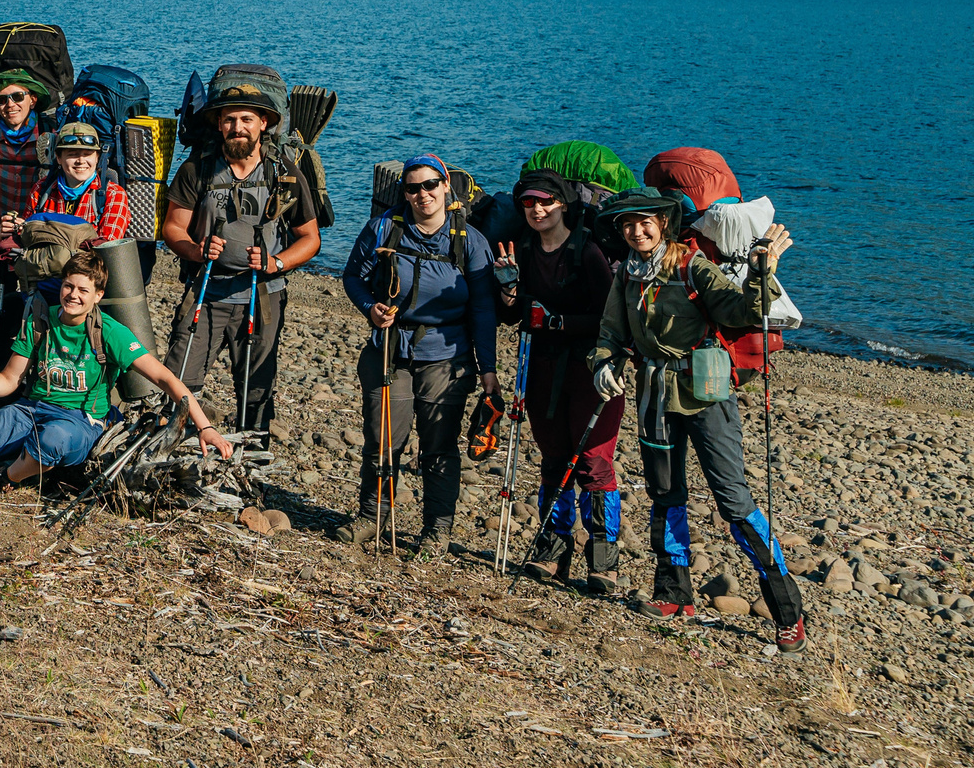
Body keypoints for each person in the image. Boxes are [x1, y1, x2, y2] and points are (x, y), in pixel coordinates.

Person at [588, 186, 804, 648]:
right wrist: (603, 363)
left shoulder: (691, 266)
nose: (636, 230)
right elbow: (610, 330)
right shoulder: (627, 273)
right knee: (665, 494)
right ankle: (673, 594)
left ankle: (787, 609)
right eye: (627, 224)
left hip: (708, 395)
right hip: (653, 398)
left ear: (663, 223)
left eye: (644, 221)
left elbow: (744, 312)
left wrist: (761, 274)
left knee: (734, 501)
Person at [0, 250, 232, 489]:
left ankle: (1, 479)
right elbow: (11, 380)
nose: (73, 295)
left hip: (82, 420)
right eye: (68, 286)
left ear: (98, 296)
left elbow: (166, 379)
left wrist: (206, 428)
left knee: (54, 441)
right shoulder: (40, 322)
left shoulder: (110, 333)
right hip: (30, 408)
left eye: (83, 290)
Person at [337, 154, 500, 551]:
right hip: (389, 349)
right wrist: (369, 309)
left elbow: (483, 310)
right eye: (413, 188)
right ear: (404, 193)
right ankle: (372, 516)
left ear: (447, 187)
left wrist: (488, 372)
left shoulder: (470, 241)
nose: (423, 194)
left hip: (447, 355)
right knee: (381, 439)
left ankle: (437, 529)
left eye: (431, 185)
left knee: (439, 445)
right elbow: (352, 277)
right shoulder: (382, 229)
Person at [159, 82, 323, 449]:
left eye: (247, 119)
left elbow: (310, 239)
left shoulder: (284, 172)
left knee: (256, 385)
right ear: (218, 124)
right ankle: (174, 451)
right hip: (205, 289)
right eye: (230, 119)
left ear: (264, 123)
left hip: (262, 295)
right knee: (179, 375)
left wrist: (275, 262)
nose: (238, 127)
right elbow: (172, 228)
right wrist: (196, 249)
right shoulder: (197, 168)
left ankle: (252, 461)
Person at [496, 169, 622, 592]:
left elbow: (610, 315)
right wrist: (508, 288)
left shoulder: (586, 252)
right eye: (529, 203)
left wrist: (558, 321)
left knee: (593, 462)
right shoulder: (524, 251)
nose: (537, 209)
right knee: (553, 457)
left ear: (563, 205)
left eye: (546, 201)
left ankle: (604, 561)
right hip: (544, 369)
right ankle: (553, 550)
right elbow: (512, 315)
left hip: (590, 369)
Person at [0, 72, 56, 405]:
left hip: (38, 246)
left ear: (33, 99)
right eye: (2, 99)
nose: (10, 105)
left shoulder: (50, 136)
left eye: (18, 97)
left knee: (31, 324)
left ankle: (24, 404)